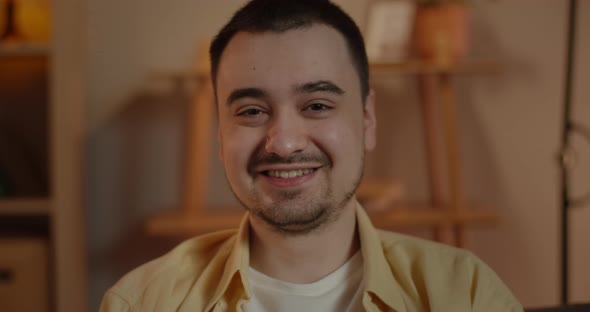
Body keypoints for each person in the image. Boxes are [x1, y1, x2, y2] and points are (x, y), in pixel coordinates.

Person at [100, 0, 523, 311]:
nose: (284, 143)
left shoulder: (464, 294)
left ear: (367, 119)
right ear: (220, 132)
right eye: (251, 111)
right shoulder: (142, 302)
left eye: (317, 105)